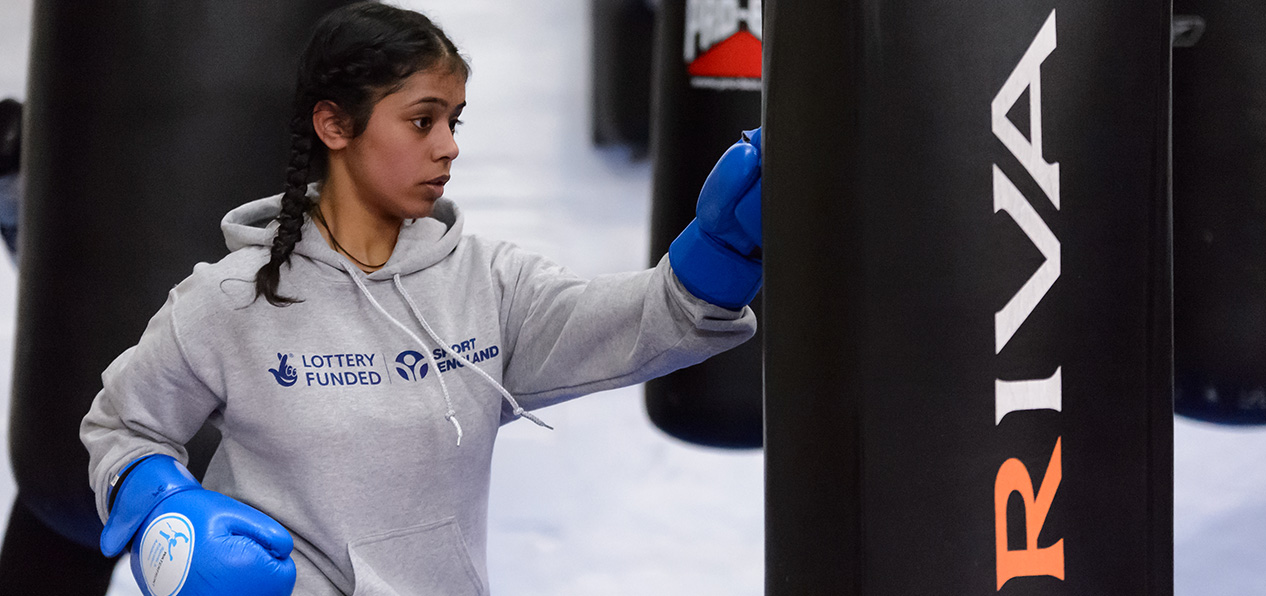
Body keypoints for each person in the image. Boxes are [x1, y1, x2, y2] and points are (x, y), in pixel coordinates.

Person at [79, 3, 763, 595]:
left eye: (454, 122)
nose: (448, 148)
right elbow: (122, 427)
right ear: (334, 126)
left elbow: (648, 319)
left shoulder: (489, 285)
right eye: (422, 121)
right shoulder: (232, 299)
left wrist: (721, 250)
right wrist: (166, 504)